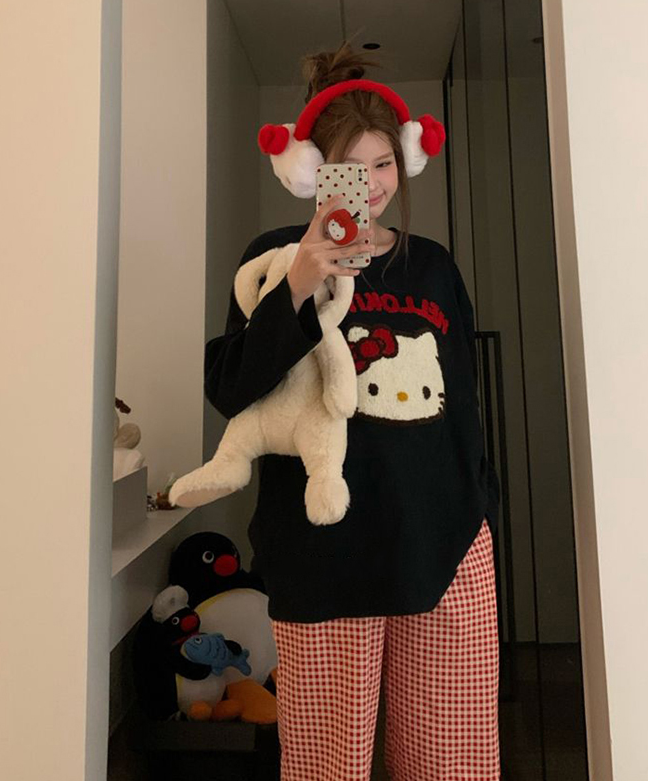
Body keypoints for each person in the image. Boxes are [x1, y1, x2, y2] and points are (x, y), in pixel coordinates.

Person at [204, 41, 502, 781]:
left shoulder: (433, 266)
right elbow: (231, 389)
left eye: (384, 164)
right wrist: (299, 286)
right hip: (323, 558)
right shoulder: (274, 258)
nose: (369, 185)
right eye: (350, 167)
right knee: (326, 766)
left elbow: (464, 405)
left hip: (441, 547)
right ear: (313, 171)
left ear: (404, 163)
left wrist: (481, 513)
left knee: (450, 762)